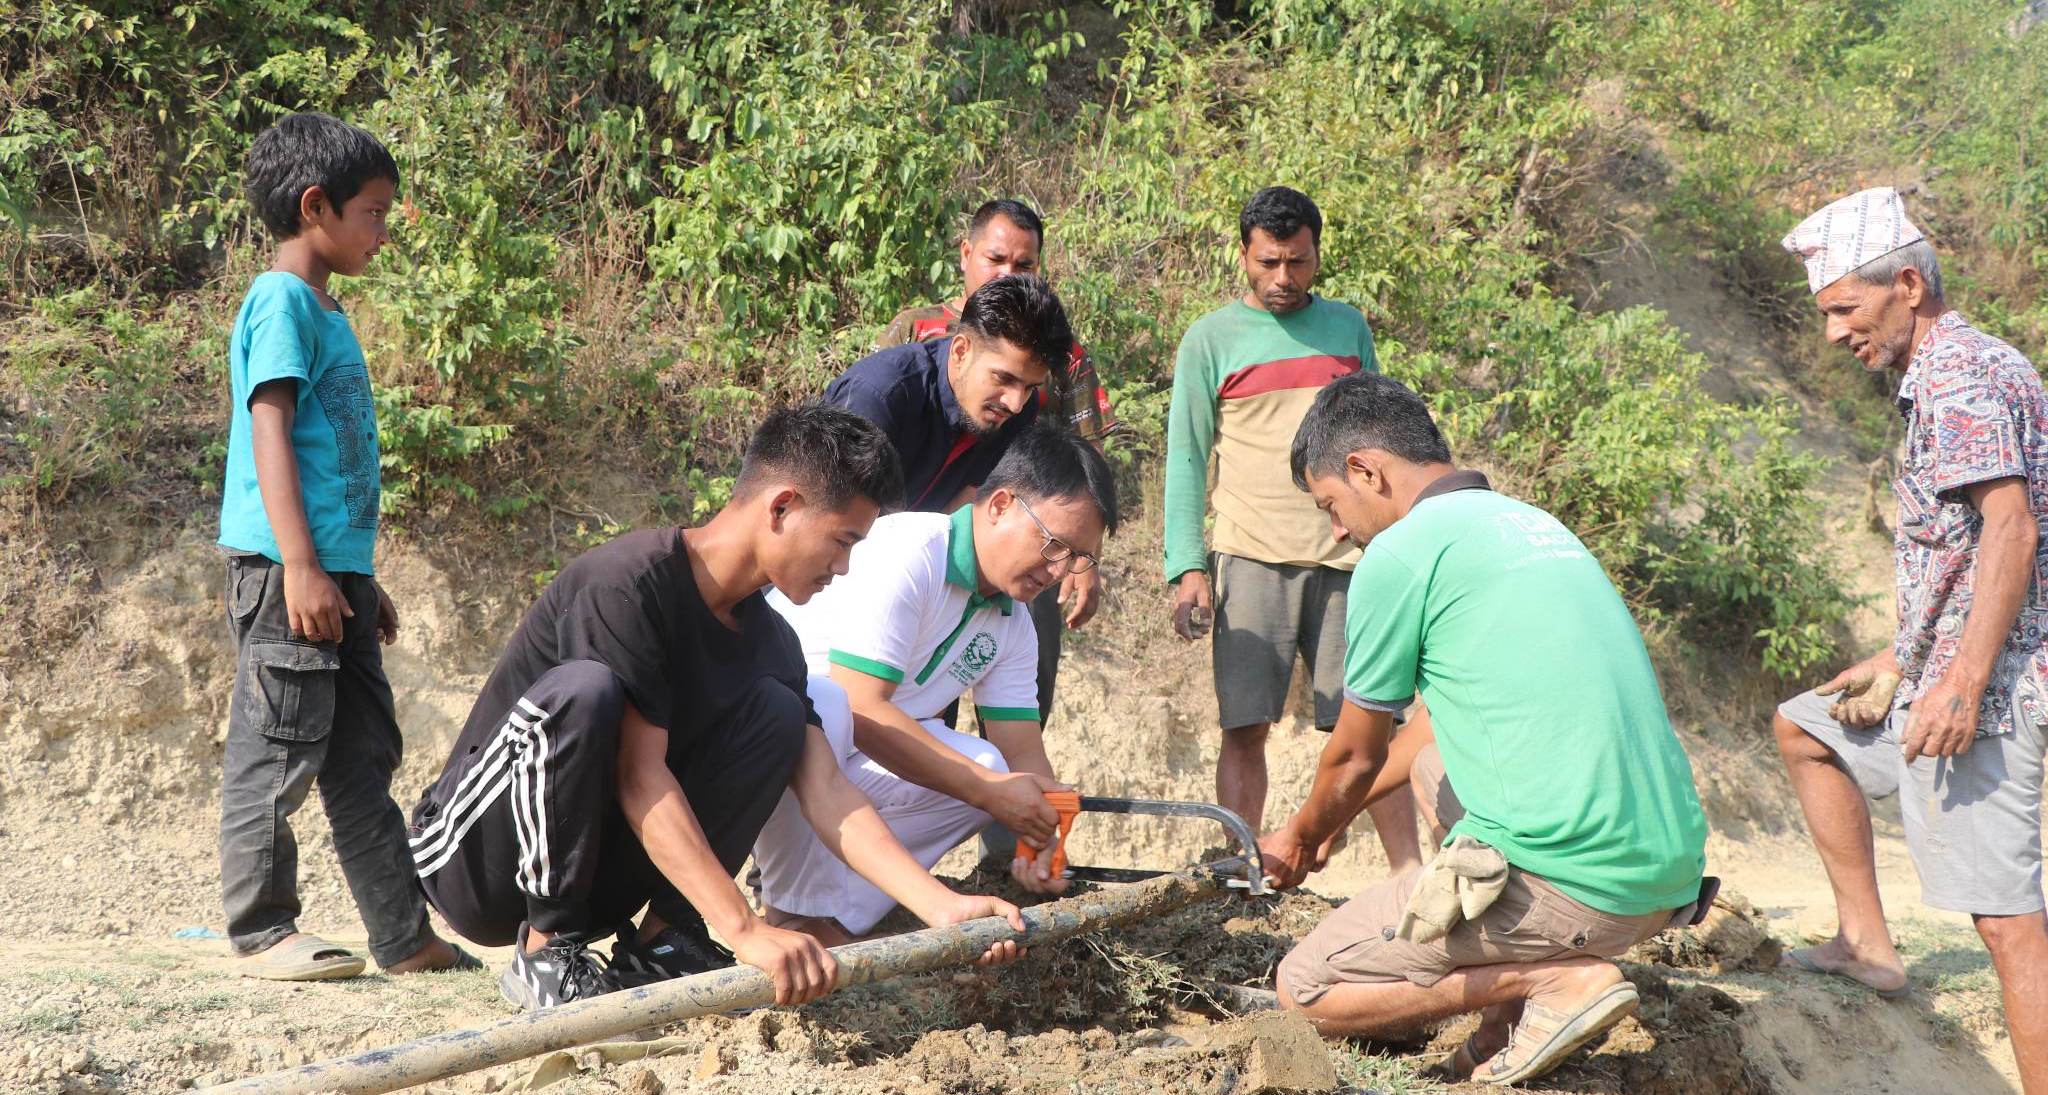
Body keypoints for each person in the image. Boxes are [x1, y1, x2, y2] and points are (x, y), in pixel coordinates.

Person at [408, 406, 1027, 1010]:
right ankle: (546, 951)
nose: (843, 568)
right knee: (587, 692)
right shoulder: (625, 585)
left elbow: (828, 792)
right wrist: (743, 925)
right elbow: (637, 774)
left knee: (780, 712)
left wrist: (940, 905)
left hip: (597, 871)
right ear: (781, 506)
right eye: (842, 541)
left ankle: (666, 940)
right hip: (478, 865)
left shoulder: (772, 641)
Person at [1261, 373, 1710, 1086]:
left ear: (1364, 469)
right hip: (1668, 873)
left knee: (1304, 987)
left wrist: (1300, 832)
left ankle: (1552, 982)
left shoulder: (1401, 554)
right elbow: (1417, 740)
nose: (1338, 530)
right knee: (1437, 766)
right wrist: (1320, 825)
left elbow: (1352, 756)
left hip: (1580, 888)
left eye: (1331, 507)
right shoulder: (1532, 525)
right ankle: (1505, 1020)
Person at [1772, 187, 2048, 1093]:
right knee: (1806, 727)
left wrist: (1962, 683)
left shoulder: (1963, 376)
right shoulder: (1951, 371)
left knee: (2007, 924)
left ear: (1906, 284)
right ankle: (1867, 946)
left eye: (1844, 309)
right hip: (1941, 671)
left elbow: (2012, 529)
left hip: (1992, 693)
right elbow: (1968, 546)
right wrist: (1904, 656)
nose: (1833, 333)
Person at [216, 111, 470, 982]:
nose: (383, 230)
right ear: (314, 204)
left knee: (363, 755)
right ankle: (260, 930)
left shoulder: (326, 309)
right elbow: (271, 433)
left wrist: (358, 575)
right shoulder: (281, 300)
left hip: (333, 576)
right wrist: (300, 564)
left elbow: (332, 462)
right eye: (373, 211)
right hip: (291, 576)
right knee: (277, 748)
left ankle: (403, 936)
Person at [753, 425, 1118, 945]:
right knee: (828, 704)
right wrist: (990, 793)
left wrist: (1042, 836)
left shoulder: (1011, 619)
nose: (1060, 570)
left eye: (1079, 558)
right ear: (1000, 505)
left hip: (855, 755)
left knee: (992, 769)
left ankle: (837, 921)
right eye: (1054, 545)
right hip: (775, 739)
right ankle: (789, 910)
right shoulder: (910, 554)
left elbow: (1021, 755)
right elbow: (860, 706)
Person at [1163, 185, 1419, 871]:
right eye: (1269, 261)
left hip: (1349, 560)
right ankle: (1244, 871)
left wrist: (1386, 535)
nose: (1284, 278)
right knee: (1245, 724)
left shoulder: (1348, 329)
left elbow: (1380, 436)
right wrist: (1187, 566)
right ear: (1244, 252)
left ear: (1317, 255)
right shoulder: (1210, 339)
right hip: (1250, 554)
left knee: (1373, 726)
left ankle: (1408, 876)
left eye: (1298, 262)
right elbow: (1187, 455)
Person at [877, 199, 1118, 727]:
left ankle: (1006, 797)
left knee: (1021, 694)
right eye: (995, 259)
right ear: (966, 255)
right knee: (914, 695)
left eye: (1024, 265)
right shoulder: (915, 331)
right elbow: (871, 444)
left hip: (1030, 545)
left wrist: (1085, 560)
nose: (1009, 274)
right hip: (926, 540)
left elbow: (1088, 459)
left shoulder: (1065, 355)